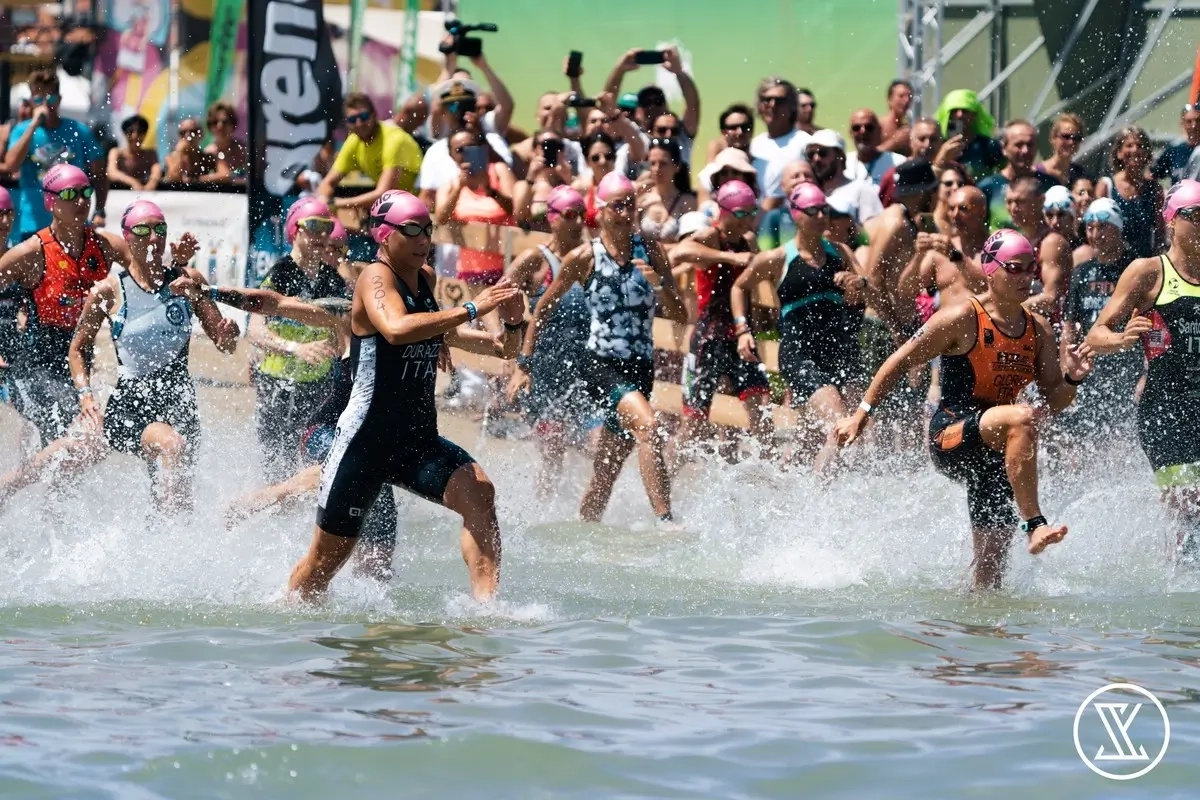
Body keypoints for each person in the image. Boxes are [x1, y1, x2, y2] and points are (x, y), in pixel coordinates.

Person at [288, 190, 527, 603]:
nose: (424, 239)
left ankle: (486, 613)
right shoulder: (373, 279)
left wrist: (513, 324)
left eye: (428, 229)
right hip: (364, 445)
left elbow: (496, 347)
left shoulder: (426, 279)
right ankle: (283, 623)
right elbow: (397, 328)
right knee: (321, 568)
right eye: (412, 229)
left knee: (480, 494)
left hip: (417, 441)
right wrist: (472, 308)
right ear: (384, 235)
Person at [834, 229, 1094, 590]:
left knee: (989, 584)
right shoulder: (961, 317)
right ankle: (1035, 525)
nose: (1026, 277)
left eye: (1031, 268)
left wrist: (1073, 378)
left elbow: (1057, 400)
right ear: (990, 269)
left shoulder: (1040, 330)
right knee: (1021, 417)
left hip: (998, 456)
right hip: (951, 436)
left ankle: (973, 636)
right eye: (1015, 268)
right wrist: (861, 414)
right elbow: (898, 361)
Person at [0, 201, 238, 513]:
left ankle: (165, 548)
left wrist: (229, 334)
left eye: (160, 229)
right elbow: (77, 349)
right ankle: (11, 487)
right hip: (132, 406)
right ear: (127, 237)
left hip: (180, 403)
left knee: (177, 496)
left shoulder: (187, 280)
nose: (153, 237)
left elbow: (225, 345)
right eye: (143, 230)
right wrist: (85, 396)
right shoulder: (109, 290)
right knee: (171, 447)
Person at [524, 172, 689, 525]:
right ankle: (666, 521)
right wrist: (525, 361)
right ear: (600, 210)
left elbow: (680, 314)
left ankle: (583, 532)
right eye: (619, 205)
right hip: (601, 366)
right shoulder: (585, 256)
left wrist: (659, 286)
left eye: (632, 204)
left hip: (641, 368)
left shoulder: (652, 251)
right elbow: (543, 309)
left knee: (605, 474)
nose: (627, 212)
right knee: (650, 428)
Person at [1086, 180, 1200, 562]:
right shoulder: (1149, 272)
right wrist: (1122, 340)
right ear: (1172, 221)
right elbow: (1096, 334)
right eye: (1195, 215)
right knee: (1187, 505)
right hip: (1165, 410)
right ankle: (1178, 590)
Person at [733, 182, 868, 474]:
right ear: (795, 214)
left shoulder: (841, 252)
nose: (821, 216)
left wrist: (857, 284)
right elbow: (739, 287)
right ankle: (820, 508)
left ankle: (788, 485)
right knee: (840, 426)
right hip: (800, 354)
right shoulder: (777, 258)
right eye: (813, 210)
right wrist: (742, 330)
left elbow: (869, 290)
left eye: (824, 209)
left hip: (839, 350)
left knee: (819, 435)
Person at [0, 165, 127, 446]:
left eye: (86, 192)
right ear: (50, 201)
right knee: (72, 438)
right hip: (34, 367)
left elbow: (150, 276)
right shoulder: (32, 252)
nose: (81, 201)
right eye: (70, 194)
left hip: (78, 359)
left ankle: (18, 485)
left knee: (69, 450)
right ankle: (10, 487)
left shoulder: (105, 246)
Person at [669, 180, 773, 466]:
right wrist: (729, 256)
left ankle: (773, 484)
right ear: (723, 211)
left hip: (742, 338)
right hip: (708, 338)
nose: (746, 220)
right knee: (694, 426)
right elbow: (677, 253)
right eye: (739, 214)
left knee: (761, 411)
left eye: (750, 213)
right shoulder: (710, 236)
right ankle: (664, 480)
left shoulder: (749, 240)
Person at [505, 186, 594, 500]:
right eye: (570, 214)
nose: (578, 221)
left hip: (584, 366)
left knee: (596, 445)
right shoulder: (536, 259)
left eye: (582, 214)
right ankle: (543, 513)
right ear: (553, 218)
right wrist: (509, 345)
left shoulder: (591, 258)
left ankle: (585, 515)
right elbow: (495, 298)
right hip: (544, 368)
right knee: (553, 450)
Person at [249, 197, 347, 482]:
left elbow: (344, 335)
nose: (321, 235)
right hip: (277, 385)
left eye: (326, 227)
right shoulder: (279, 275)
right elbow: (254, 331)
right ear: (295, 230)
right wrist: (295, 348)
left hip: (320, 387)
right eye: (313, 226)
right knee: (277, 467)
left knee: (315, 465)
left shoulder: (334, 280)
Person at [2, 69, 108, 242]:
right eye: (38, 99)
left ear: (60, 99)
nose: (46, 105)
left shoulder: (79, 131)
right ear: (31, 102)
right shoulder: (22, 131)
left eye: (51, 98)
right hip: (32, 224)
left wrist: (99, 210)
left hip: (73, 222)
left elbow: (100, 174)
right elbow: (11, 165)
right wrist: (34, 124)